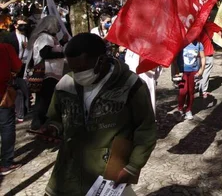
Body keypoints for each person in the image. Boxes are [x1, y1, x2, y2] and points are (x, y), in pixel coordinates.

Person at [40, 33, 157, 195]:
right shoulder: (65, 84)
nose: (77, 75)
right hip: (69, 172)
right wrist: (53, 128)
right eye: (73, 69)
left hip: (108, 174)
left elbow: (146, 128)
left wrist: (133, 166)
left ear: (101, 61)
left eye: (81, 69)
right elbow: (56, 117)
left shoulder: (131, 85)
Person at [28, 16, 66, 131]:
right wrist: (63, 54)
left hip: (50, 72)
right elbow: (45, 53)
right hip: (48, 73)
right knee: (44, 99)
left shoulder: (46, 37)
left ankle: (38, 122)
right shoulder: (46, 37)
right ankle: (39, 123)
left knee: (43, 99)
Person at [0, 43, 23, 175]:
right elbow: (17, 66)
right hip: (2, 94)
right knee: (6, 127)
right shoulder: (5, 48)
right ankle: (6, 164)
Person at [177, 40, 206, 120]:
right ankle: (180, 109)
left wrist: (201, 70)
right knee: (183, 91)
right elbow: (175, 57)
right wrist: (175, 71)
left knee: (191, 92)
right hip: (182, 71)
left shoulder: (199, 44)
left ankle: (188, 110)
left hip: (194, 72)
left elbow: (203, 57)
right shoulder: (181, 42)